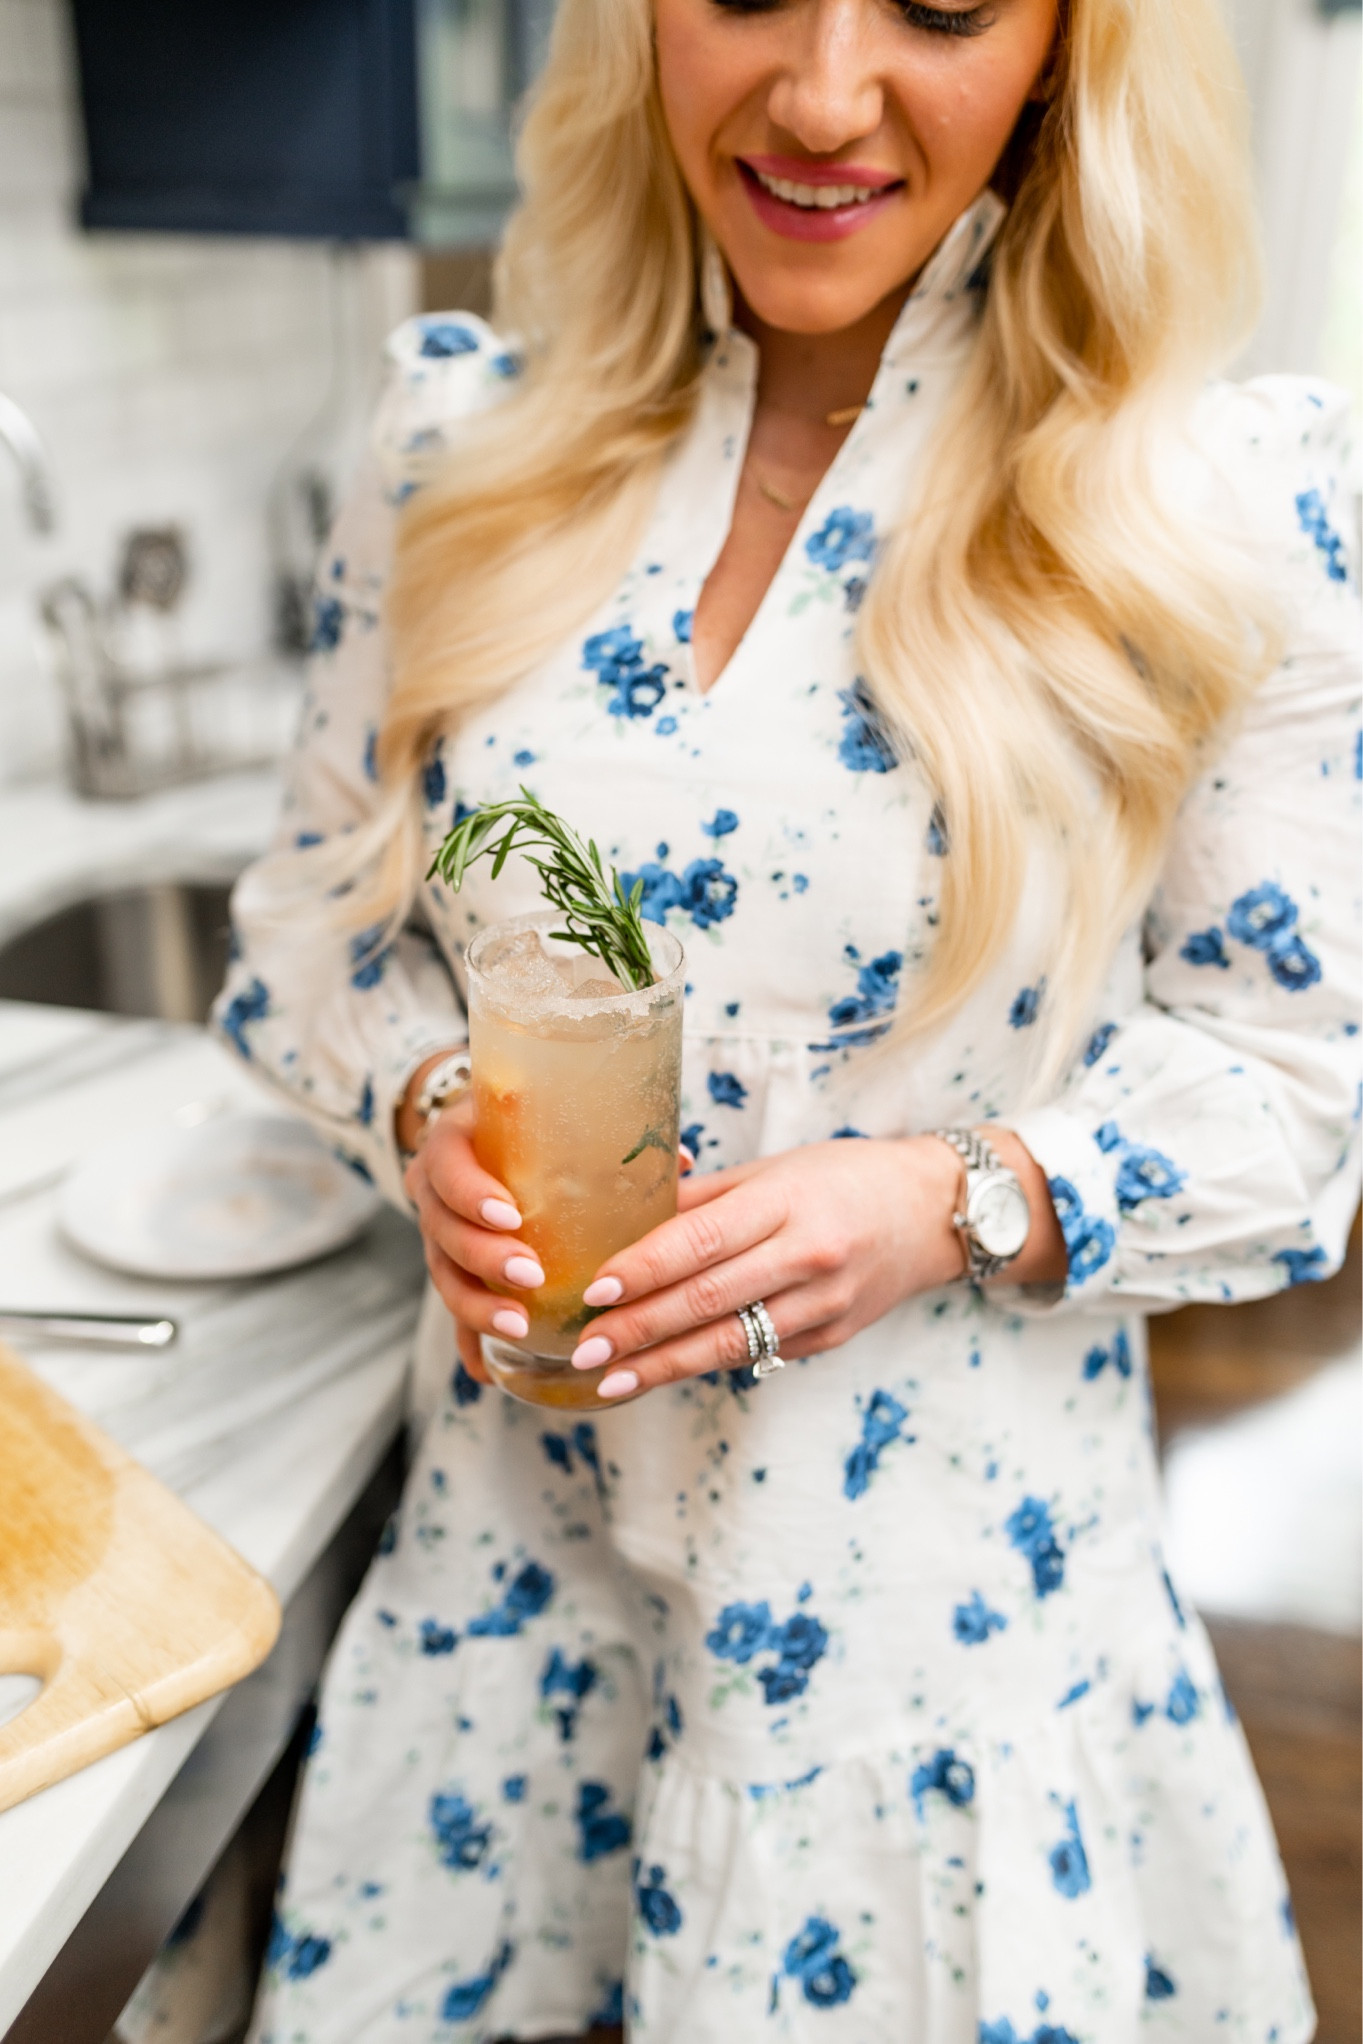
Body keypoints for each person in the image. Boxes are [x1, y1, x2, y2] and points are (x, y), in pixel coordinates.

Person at [219, 0, 1360, 2034]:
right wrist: (416, 1101)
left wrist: (964, 1194)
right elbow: (316, 921)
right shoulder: (452, 445)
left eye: (937, 8)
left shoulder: (1219, 510)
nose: (823, 95)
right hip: (502, 1628)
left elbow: (1294, 1091)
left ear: (1066, 54)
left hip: (925, 1679)